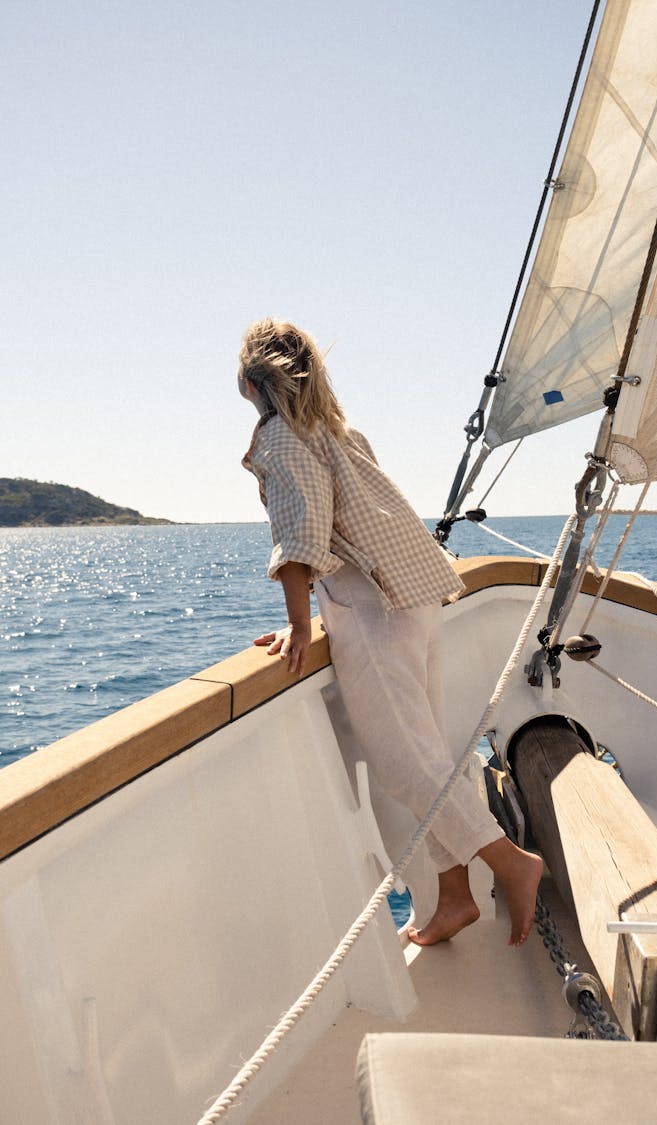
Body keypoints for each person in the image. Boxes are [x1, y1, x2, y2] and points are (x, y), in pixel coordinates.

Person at [238, 318, 542, 947]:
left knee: (406, 763)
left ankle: (511, 862)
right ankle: (454, 896)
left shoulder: (279, 439)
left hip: (374, 613)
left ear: (252, 379)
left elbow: (301, 537)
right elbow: (353, 526)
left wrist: (299, 625)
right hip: (416, 598)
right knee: (429, 755)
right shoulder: (339, 431)